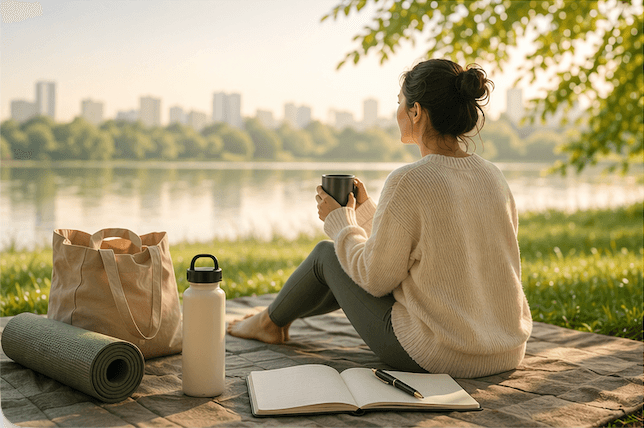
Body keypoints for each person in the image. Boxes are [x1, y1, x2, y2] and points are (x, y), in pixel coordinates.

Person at [228, 58, 533, 378]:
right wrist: (365, 212)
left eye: (399, 103)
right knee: (341, 256)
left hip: (443, 354)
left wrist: (340, 221)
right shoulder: (492, 175)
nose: (397, 112)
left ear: (416, 112)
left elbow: (376, 278)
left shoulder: (410, 180)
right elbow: (431, 245)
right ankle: (272, 319)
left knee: (326, 255)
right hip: (507, 350)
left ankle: (267, 322)